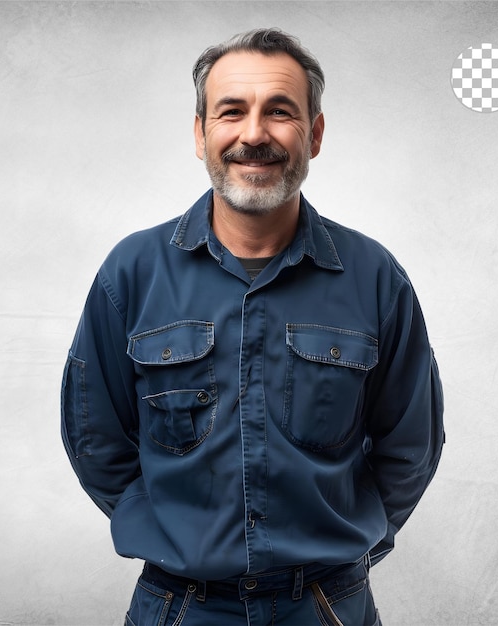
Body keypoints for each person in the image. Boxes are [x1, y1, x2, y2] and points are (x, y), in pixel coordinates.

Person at [61, 28, 444, 626]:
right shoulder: (131, 273)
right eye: (231, 111)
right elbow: (96, 441)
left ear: (314, 135)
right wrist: (171, 532)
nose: (254, 134)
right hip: (180, 607)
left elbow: (410, 446)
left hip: (325, 607)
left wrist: (344, 542)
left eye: (281, 112)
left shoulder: (375, 277)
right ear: (200, 134)